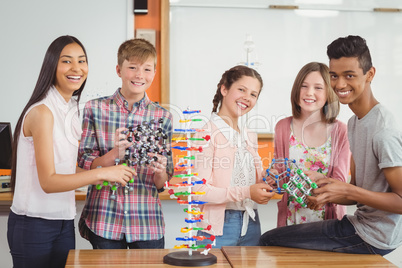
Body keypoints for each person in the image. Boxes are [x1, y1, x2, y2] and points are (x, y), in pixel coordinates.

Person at [259, 35, 402, 256]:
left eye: (350, 75)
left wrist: (345, 188)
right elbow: (356, 194)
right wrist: (326, 188)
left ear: (370, 74)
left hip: (373, 236)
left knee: (269, 240)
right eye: (334, 76)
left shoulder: (382, 129)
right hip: (358, 224)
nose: (340, 84)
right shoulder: (356, 122)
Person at [7, 35, 134, 268]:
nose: (77, 68)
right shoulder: (43, 112)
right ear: (52, 66)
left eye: (82, 61)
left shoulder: (70, 109)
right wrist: (103, 174)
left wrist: (109, 161)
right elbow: (48, 181)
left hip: (63, 221)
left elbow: (66, 168)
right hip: (33, 224)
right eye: (66, 61)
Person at [78, 38, 173, 249]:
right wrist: (114, 153)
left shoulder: (163, 116)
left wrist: (160, 172)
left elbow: (163, 182)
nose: (140, 75)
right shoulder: (95, 109)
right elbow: (84, 163)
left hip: (147, 221)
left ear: (154, 74)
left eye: (147, 69)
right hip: (104, 219)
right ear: (119, 70)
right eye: (132, 67)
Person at [191, 65, 275, 248]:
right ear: (224, 89)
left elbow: (256, 179)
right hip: (219, 227)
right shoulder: (205, 134)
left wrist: (270, 179)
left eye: (253, 94)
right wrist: (247, 192)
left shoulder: (249, 136)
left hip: (252, 223)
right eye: (242, 90)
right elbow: (198, 192)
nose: (247, 97)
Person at [272, 62, 350, 227]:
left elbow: (340, 184)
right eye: (304, 86)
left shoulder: (341, 131)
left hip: (328, 222)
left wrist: (321, 178)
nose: (309, 93)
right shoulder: (283, 127)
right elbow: (281, 179)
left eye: (318, 88)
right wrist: (272, 177)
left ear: (329, 92)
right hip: (290, 221)